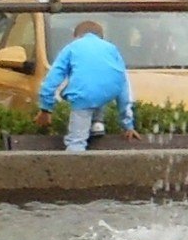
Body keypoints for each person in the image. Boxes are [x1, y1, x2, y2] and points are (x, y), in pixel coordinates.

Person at [38, 20, 136, 152]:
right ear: (101, 37)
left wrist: (46, 109)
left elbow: (52, 79)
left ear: (76, 36)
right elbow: (124, 85)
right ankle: (97, 123)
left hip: (83, 95)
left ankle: (75, 158)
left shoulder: (72, 47)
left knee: (77, 140)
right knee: (100, 86)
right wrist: (128, 124)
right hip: (108, 91)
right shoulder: (111, 48)